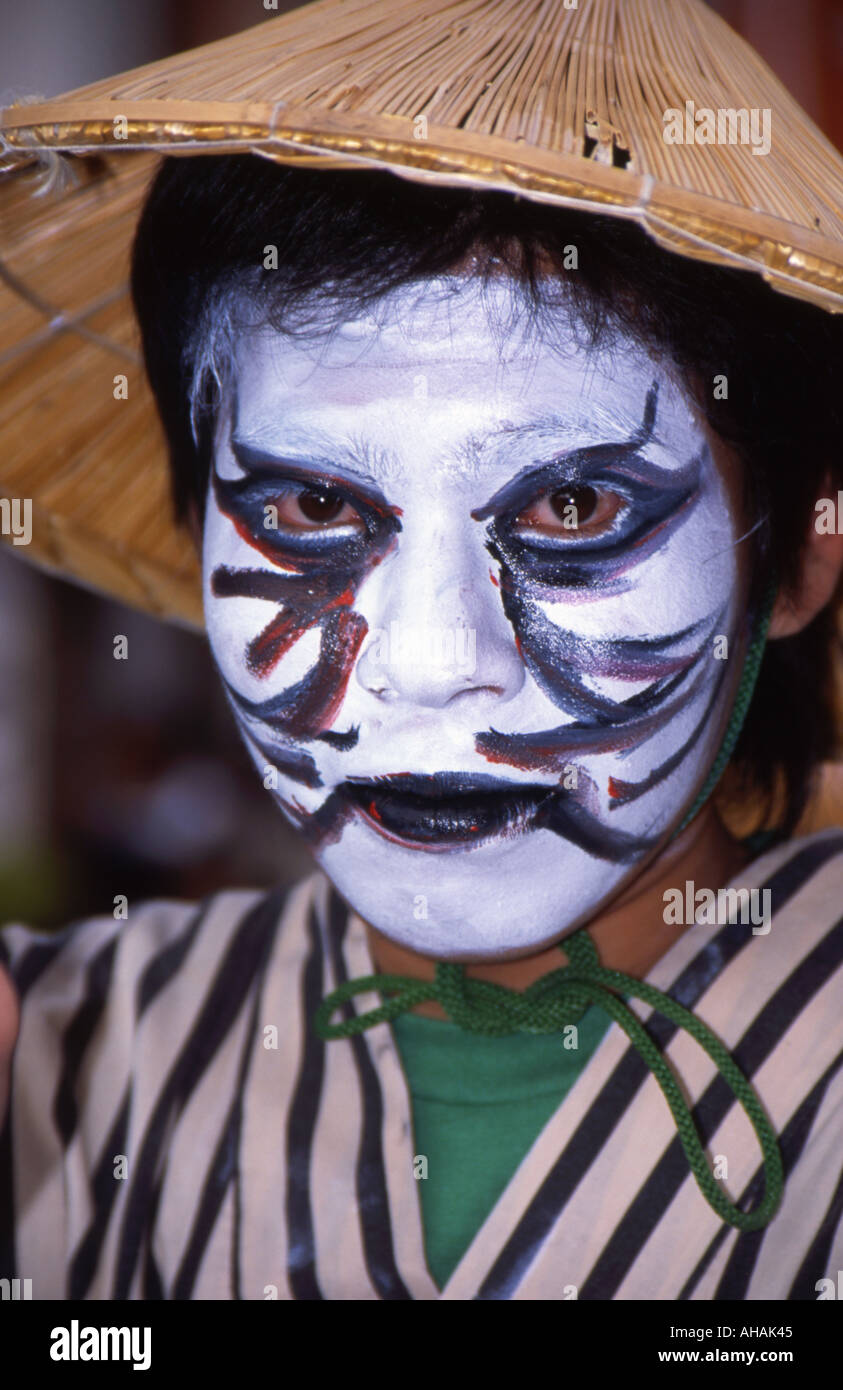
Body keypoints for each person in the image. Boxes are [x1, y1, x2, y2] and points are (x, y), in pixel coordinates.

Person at [0, 0, 842, 1301]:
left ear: (794, 558)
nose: (437, 657)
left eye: (573, 508)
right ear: (194, 516)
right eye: (316, 510)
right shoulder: (62, 1054)